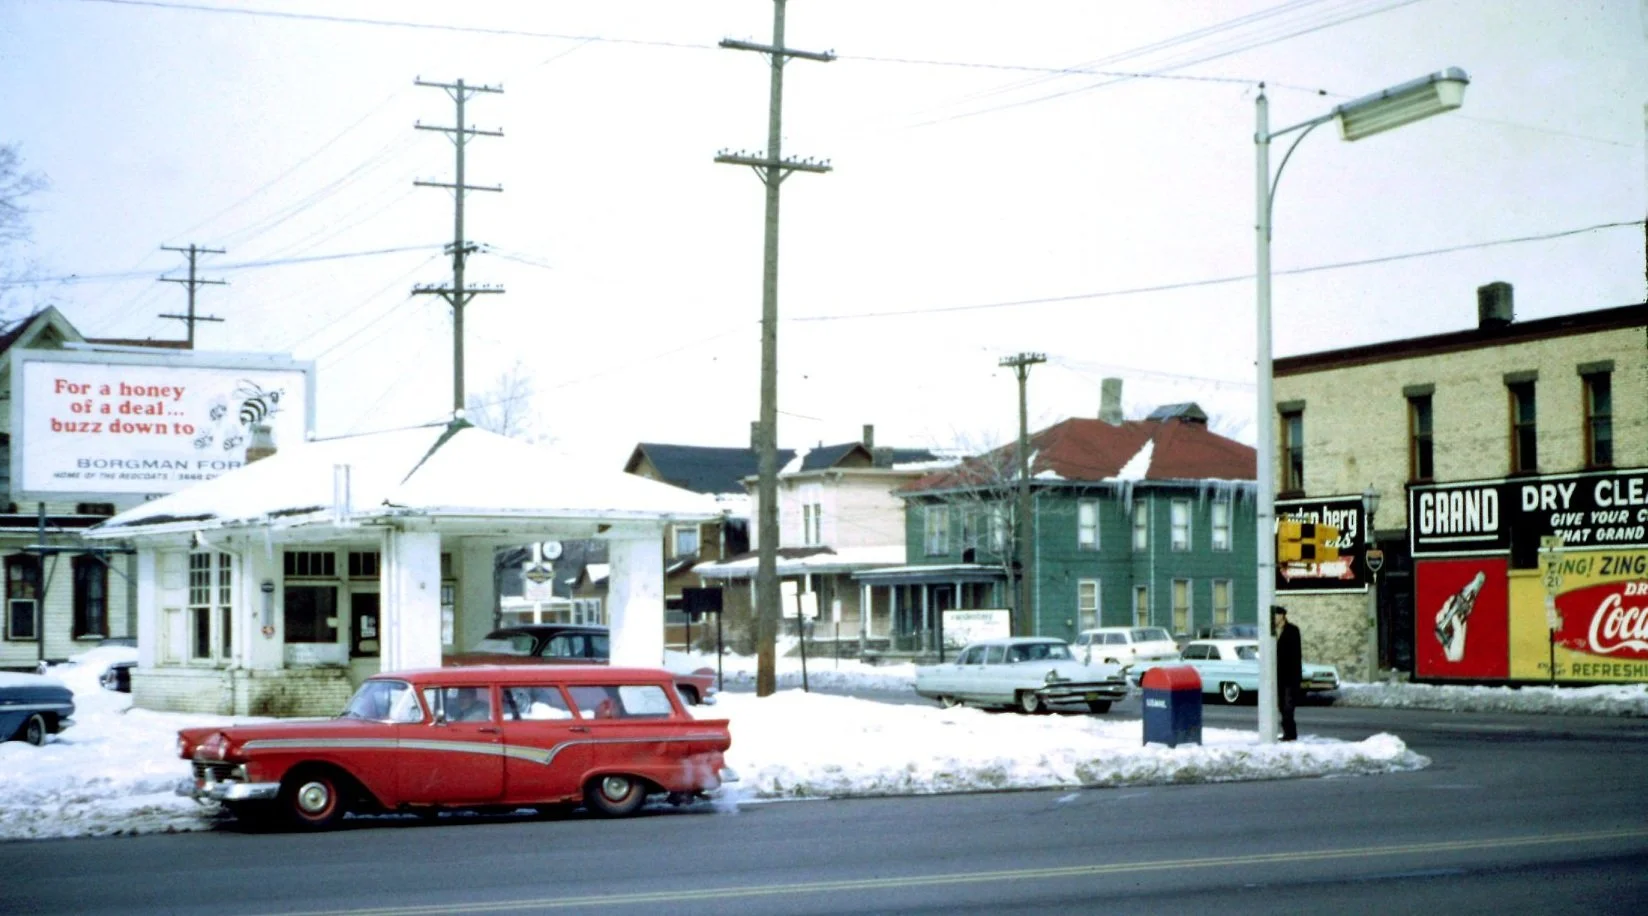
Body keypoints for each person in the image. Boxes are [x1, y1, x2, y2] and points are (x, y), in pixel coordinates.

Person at [1272, 605, 1302, 741]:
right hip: (1278, 676)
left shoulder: (1292, 630)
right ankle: (1288, 733)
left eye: (1276, 616)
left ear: (1282, 616)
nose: (1274, 619)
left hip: (1290, 676)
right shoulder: (1273, 632)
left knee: (1288, 706)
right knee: (1281, 706)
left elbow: (1295, 655)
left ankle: (1291, 734)